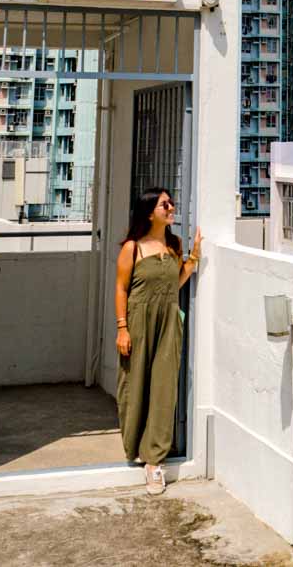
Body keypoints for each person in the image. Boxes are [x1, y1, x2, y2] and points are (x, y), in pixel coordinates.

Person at [115, 188, 201, 494]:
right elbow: (121, 289)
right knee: (134, 384)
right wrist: (122, 328)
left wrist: (192, 259)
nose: (171, 207)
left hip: (168, 321)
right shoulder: (132, 248)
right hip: (138, 321)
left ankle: (154, 461)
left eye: (171, 203)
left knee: (164, 387)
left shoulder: (174, 245)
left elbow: (175, 282)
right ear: (150, 212)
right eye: (165, 204)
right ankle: (134, 445)